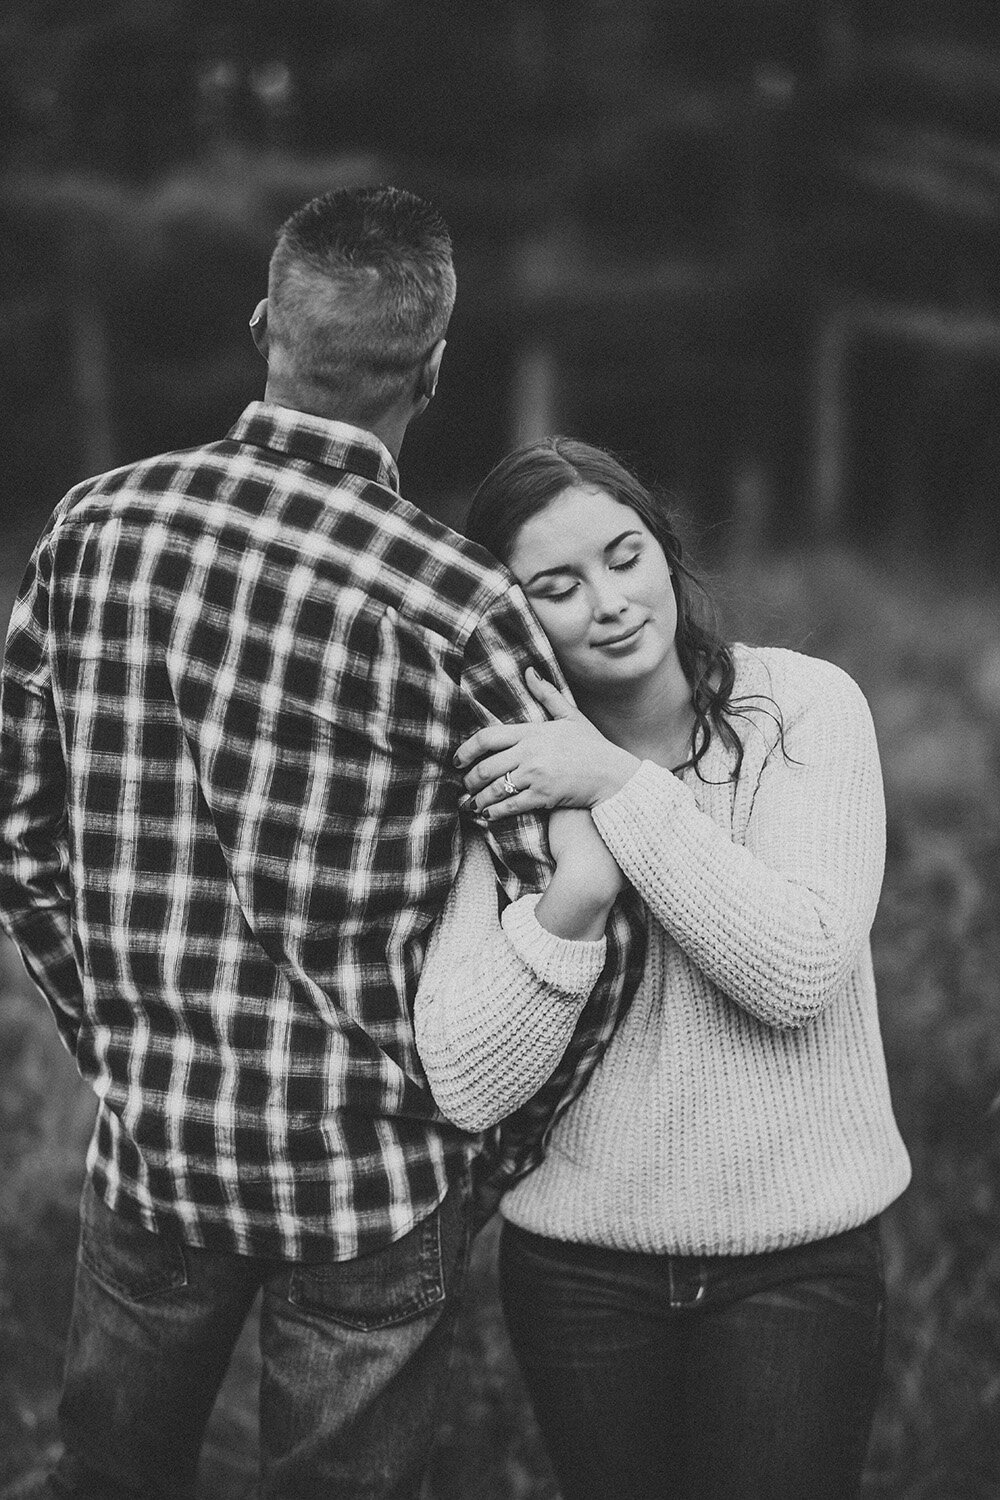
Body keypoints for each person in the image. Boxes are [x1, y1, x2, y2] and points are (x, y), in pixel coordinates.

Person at [0, 192, 648, 1498]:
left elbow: (22, 835)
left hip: (156, 1147)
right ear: (438, 368)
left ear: (262, 328)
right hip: (374, 1179)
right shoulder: (457, 604)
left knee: (105, 1479)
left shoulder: (95, 529)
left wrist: (119, 1046)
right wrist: (485, 1155)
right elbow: (581, 919)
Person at [414, 437, 912, 1500]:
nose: (608, 601)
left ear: (664, 549)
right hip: (578, 1272)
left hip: (796, 1263)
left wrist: (614, 787)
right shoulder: (503, 782)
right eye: (556, 586)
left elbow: (798, 970)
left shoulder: (802, 712)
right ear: (511, 617)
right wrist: (577, 897)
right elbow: (465, 1078)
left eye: (624, 554)